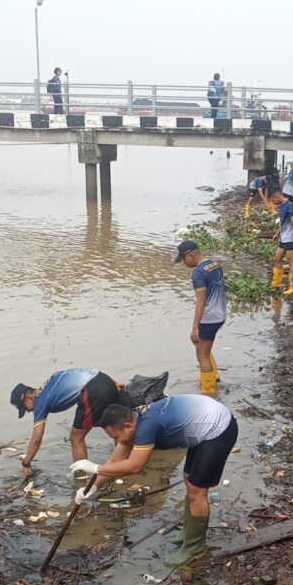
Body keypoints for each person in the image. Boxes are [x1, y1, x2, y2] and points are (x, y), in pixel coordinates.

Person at [70, 396, 239, 565]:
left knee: (197, 490)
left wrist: (96, 468)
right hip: (201, 424)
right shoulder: (133, 423)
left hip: (218, 428)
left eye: (116, 437)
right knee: (188, 477)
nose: (116, 441)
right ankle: (188, 532)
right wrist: (91, 489)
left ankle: (195, 547)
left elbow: (135, 466)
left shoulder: (146, 427)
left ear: (127, 427)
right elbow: (114, 461)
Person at [10, 369, 125, 477]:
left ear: (29, 398)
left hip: (93, 392)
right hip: (105, 380)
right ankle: (122, 461)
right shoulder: (53, 379)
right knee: (115, 424)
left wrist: (26, 464)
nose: (28, 411)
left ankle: (81, 476)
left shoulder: (40, 402)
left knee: (76, 437)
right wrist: (113, 383)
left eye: (25, 407)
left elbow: (37, 438)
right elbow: (87, 371)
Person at [176, 239, 226, 394]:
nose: (184, 263)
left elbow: (201, 300)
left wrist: (195, 327)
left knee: (201, 355)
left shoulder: (198, 273)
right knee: (202, 345)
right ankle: (213, 376)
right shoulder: (214, 264)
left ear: (191, 255)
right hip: (221, 314)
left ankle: (209, 391)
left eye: (183, 259)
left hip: (209, 318)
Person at [269, 188, 293, 295]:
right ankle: (276, 282)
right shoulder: (282, 206)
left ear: (277, 196)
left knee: (291, 262)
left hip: (291, 238)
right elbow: (282, 222)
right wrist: (277, 233)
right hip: (284, 237)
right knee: (277, 258)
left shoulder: (289, 205)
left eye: (273, 200)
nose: (273, 202)